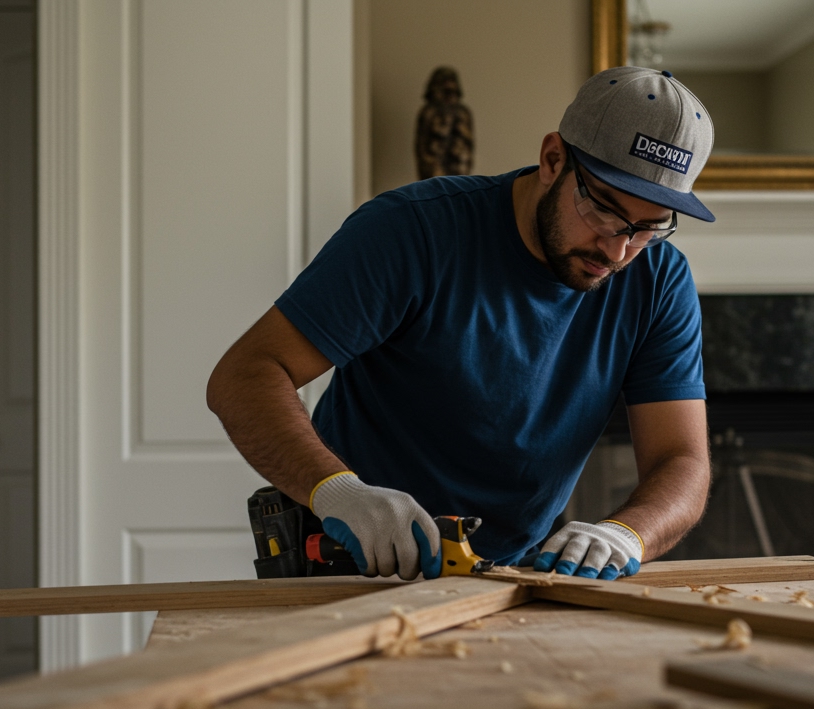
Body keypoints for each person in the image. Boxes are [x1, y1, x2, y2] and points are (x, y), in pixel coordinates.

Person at [207, 67, 714, 582]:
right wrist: (339, 491)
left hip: (516, 576)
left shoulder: (658, 279)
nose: (618, 249)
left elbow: (682, 461)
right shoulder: (412, 231)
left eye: (649, 228)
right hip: (353, 562)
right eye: (603, 210)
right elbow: (245, 375)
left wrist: (627, 533)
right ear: (552, 159)